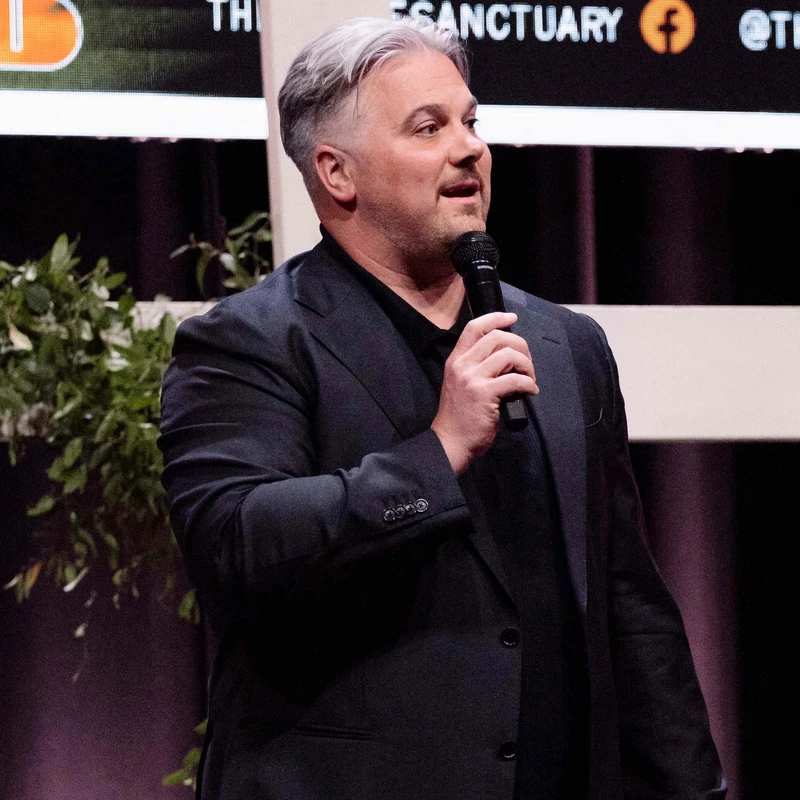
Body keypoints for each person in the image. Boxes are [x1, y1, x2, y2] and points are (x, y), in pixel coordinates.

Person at [158, 16, 725, 800]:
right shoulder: (249, 344)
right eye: (428, 128)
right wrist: (439, 449)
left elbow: (630, 602)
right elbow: (239, 545)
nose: (469, 149)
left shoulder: (565, 345)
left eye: (470, 121)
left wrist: (691, 788)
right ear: (337, 173)